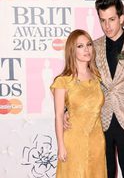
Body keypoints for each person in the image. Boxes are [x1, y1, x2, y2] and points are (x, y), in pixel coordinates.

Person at [64, 0, 124, 178]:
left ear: (121, 18)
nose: (107, 26)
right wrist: (68, 108)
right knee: (104, 174)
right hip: (100, 122)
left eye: (112, 19)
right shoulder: (94, 46)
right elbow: (81, 78)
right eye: (103, 20)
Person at [50, 29, 107, 178]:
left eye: (88, 44)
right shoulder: (63, 80)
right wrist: (61, 145)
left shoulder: (97, 77)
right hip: (74, 140)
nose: (86, 49)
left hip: (97, 140)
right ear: (71, 50)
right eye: (80, 46)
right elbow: (58, 115)